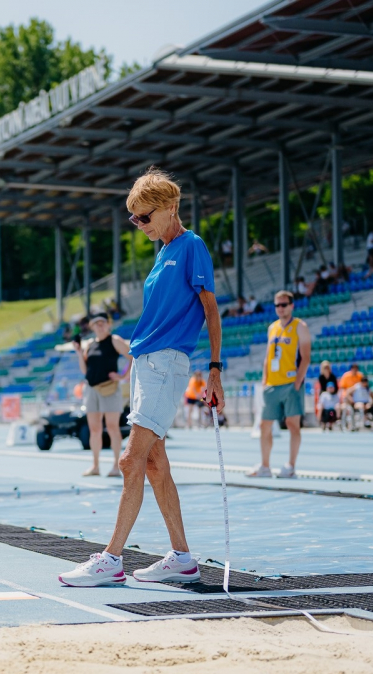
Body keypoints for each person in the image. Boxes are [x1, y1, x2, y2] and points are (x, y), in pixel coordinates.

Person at [59, 167, 221, 588]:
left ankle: (111, 559)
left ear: (171, 208)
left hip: (166, 363)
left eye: (145, 216)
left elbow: (210, 309)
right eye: (134, 218)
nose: (139, 225)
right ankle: (182, 558)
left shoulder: (191, 246)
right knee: (153, 462)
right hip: (146, 361)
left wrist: (215, 369)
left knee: (130, 459)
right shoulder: (162, 252)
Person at [248, 290, 311, 478]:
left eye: (284, 305)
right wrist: (264, 380)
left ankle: (290, 466)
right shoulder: (272, 327)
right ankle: (265, 466)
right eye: (277, 305)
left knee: (293, 424)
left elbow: (306, 358)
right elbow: (268, 357)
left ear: (291, 306)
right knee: (264, 425)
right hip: (272, 384)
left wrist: (297, 383)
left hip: (291, 383)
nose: (280, 308)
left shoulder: (300, 326)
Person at [75, 313, 130, 475]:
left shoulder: (114, 340)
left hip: (109, 388)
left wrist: (122, 376)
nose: (100, 326)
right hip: (91, 388)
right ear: (92, 327)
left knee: (112, 427)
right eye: (96, 323)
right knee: (94, 429)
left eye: (102, 323)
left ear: (108, 325)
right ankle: (95, 466)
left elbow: (132, 357)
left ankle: (116, 466)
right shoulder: (90, 344)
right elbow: (85, 370)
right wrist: (79, 353)